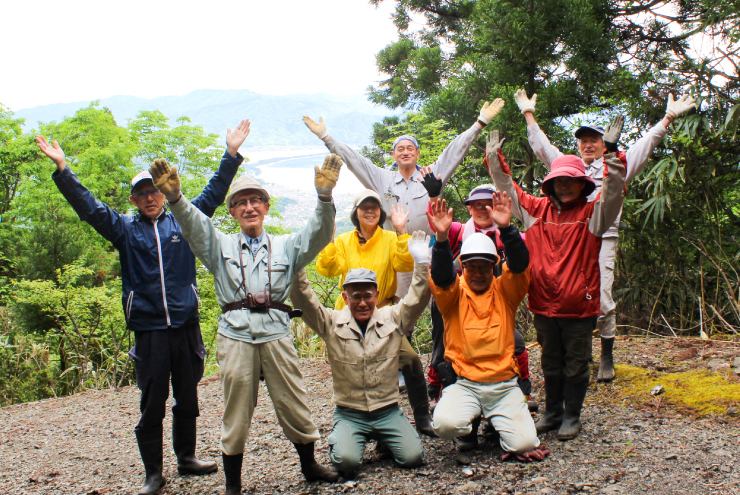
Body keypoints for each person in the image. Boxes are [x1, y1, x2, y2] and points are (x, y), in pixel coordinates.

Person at [36, 119, 251, 495]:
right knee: (152, 402)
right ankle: (154, 472)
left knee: (189, 395)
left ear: (164, 193)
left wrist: (230, 154)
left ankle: (186, 458)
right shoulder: (123, 230)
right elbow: (88, 208)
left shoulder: (184, 221)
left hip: (185, 325)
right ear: (133, 200)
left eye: (154, 190)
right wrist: (63, 169)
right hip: (149, 330)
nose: (150, 197)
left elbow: (215, 194)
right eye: (142, 193)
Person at [302, 99, 505, 436]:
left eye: (411, 147)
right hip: (397, 257)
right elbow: (355, 160)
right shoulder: (382, 180)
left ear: (417, 153)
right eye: (400, 148)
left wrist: (480, 122)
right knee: (398, 316)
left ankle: (443, 373)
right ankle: (393, 376)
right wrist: (327, 138)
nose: (406, 151)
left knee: (445, 313)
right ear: (394, 155)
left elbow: (456, 149)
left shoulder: (431, 175)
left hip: (428, 253)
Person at [148, 155, 343, 494]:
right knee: (236, 406)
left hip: (276, 331)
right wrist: (177, 199)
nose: (249, 207)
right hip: (236, 333)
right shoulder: (219, 245)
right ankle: (233, 484)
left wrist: (324, 197)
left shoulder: (287, 245)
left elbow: (318, 233)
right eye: (241, 203)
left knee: (292, 398)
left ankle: (309, 464)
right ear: (233, 212)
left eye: (256, 201)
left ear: (266, 207)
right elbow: (195, 225)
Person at [514, 89, 697, 382]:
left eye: (594, 140)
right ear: (578, 144)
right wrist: (528, 114)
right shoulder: (566, 168)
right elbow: (541, 147)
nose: (588, 145)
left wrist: (668, 117)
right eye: (583, 140)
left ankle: (607, 353)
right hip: (566, 239)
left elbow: (645, 145)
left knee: (602, 297)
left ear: (604, 143)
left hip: (603, 237)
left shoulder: (618, 163)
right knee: (562, 292)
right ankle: (574, 353)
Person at [486, 129, 626, 441]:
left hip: (578, 305)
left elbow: (615, 191)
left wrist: (613, 155)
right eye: (558, 181)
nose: (564, 187)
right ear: (550, 185)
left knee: (576, 362)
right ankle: (552, 412)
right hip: (543, 303)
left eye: (570, 181)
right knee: (550, 359)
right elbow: (507, 188)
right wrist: (494, 160)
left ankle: (572, 415)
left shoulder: (594, 215)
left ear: (582, 184)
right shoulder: (535, 212)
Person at [289, 231, 432, 477]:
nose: (363, 302)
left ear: (377, 295)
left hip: (387, 409)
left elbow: (417, 298)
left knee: (413, 458)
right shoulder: (331, 323)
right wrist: (296, 265)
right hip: (349, 412)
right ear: (345, 298)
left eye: (368, 295)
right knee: (346, 463)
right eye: (356, 296)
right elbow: (305, 299)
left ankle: (386, 438)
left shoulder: (392, 318)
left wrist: (422, 264)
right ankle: (349, 436)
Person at [426, 195, 548, 462]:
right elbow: (441, 276)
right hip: (465, 384)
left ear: (494, 267)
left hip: (503, 385)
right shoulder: (453, 295)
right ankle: (471, 425)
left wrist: (507, 230)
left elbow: (519, 265)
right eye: (472, 267)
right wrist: (442, 238)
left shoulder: (505, 291)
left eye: (484, 267)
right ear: (464, 268)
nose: (479, 273)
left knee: (524, 443)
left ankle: (499, 422)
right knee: (444, 425)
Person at [315, 189, 435, 435]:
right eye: (364, 207)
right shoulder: (344, 241)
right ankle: (356, 421)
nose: (369, 211)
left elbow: (405, 262)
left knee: (410, 359)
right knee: (354, 366)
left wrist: (402, 232)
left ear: (380, 213)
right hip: (348, 315)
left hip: (382, 313)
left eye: (374, 207)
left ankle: (422, 417)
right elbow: (328, 268)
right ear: (356, 213)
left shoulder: (390, 238)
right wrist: (328, 241)